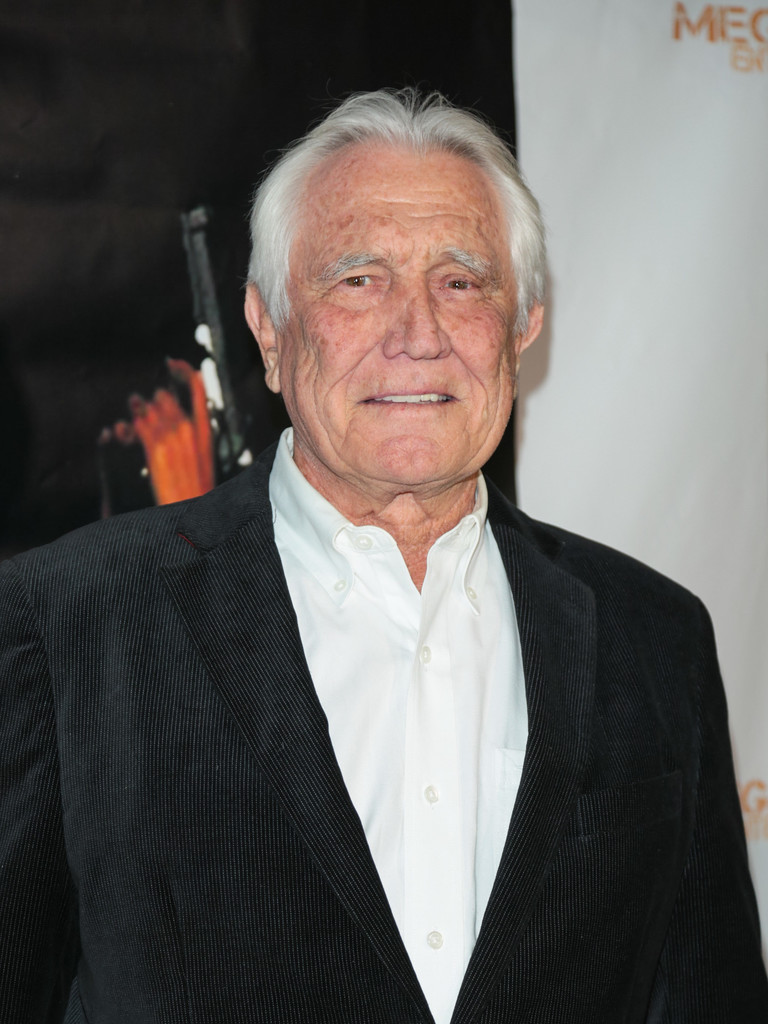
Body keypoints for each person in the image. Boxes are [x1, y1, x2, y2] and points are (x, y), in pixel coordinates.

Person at [1, 89, 766, 1024]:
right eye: (359, 280)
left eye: (462, 282)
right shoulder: (65, 624)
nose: (418, 334)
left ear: (524, 325)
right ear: (268, 329)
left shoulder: (656, 637)